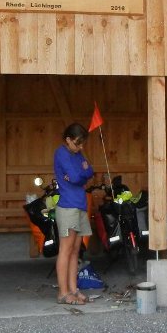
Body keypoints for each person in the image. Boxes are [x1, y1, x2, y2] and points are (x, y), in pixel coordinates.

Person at [53, 122, 94, 304]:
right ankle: (63, 293)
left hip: (80, 205)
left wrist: (81, 174)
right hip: (68, 206)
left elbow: (89, 171)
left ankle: (73, 289)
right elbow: (79, 176)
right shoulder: (61, 153)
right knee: (66, 250)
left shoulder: (78, 154)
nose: (81, 147)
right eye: (77, 143)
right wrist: (81, 174)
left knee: (76, 251)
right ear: (68, 140)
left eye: (82, 143)